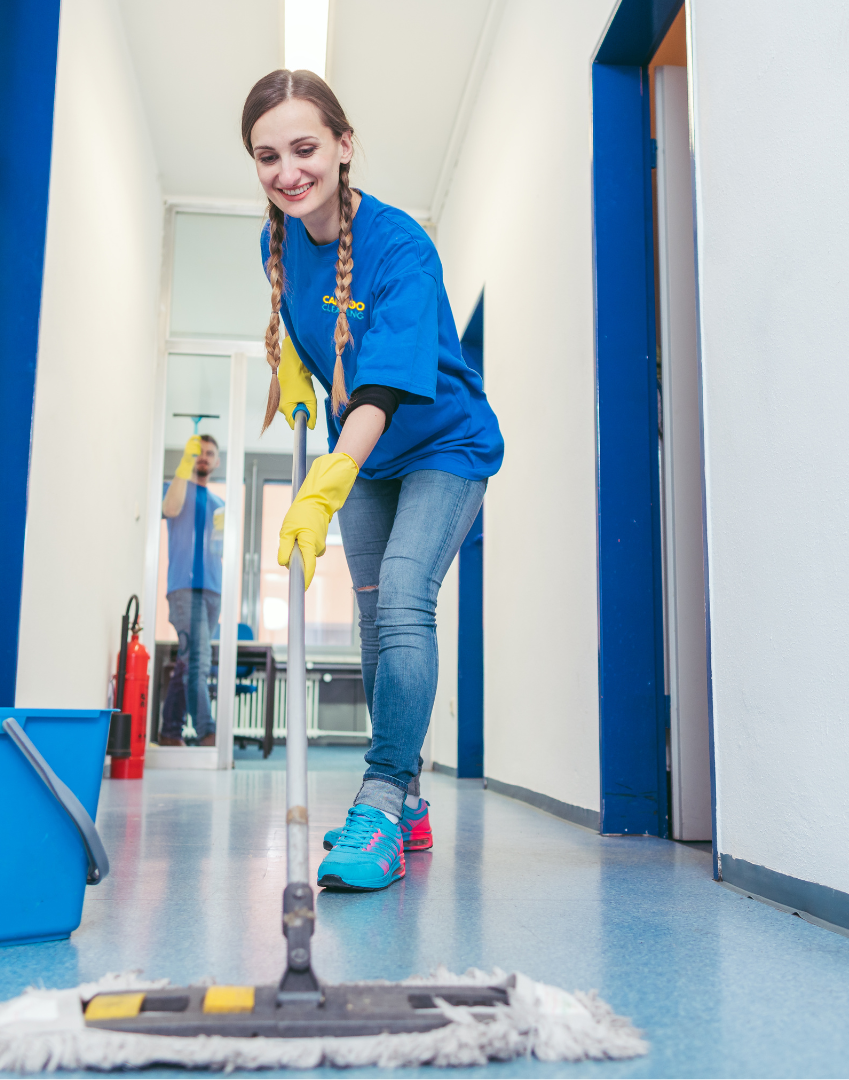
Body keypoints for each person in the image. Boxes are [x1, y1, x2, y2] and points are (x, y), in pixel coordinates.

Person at [242, 71, 503, 891]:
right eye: (267, 155)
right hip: (365, 455)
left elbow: (384, 389)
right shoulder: (275, 240)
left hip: (442, 446)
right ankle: (411, 797)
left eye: (306, 148)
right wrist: (292, 366)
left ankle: (382, 800)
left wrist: (325, 482)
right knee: (370, 619)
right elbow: (312, 326)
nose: (288, 171)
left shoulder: (400, 247)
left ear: (344, 146)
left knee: (403, 598)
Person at [159, 433, 225, 746]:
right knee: (198, 659)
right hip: (185, 588)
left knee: (187, 661)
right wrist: (183, 463)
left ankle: (170, 732)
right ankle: (207, 731)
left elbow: (219, 548)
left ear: (217, 461)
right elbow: (169, 510)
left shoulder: (219, 504)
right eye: (198, 453)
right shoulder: (178, 490)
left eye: (210, 453)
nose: (204, 457)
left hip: (212, 590)